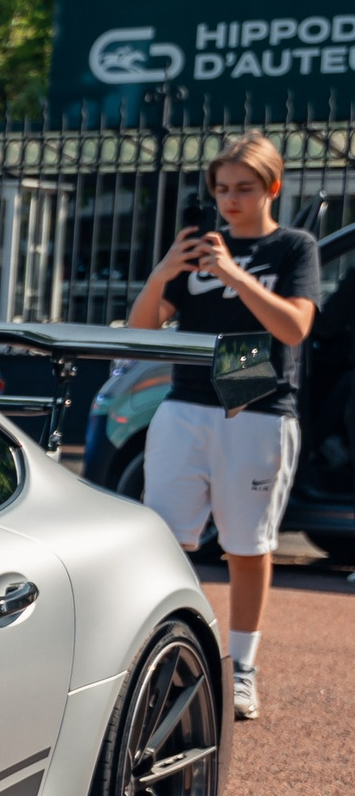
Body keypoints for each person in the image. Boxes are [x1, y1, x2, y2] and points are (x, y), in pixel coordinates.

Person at [128, 132, 319, 721]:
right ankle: (164, 658)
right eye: (222, 189)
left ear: (272, 188)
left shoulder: (293, 247)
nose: (231, 200)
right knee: (165, 540)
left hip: (257, 405)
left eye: (244, 188)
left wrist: (234, 274)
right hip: (186, 402)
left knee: (247, 544)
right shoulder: (196, 248)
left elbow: (293, 328)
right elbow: (140, 331)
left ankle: (242, 670)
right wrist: (165, 270)